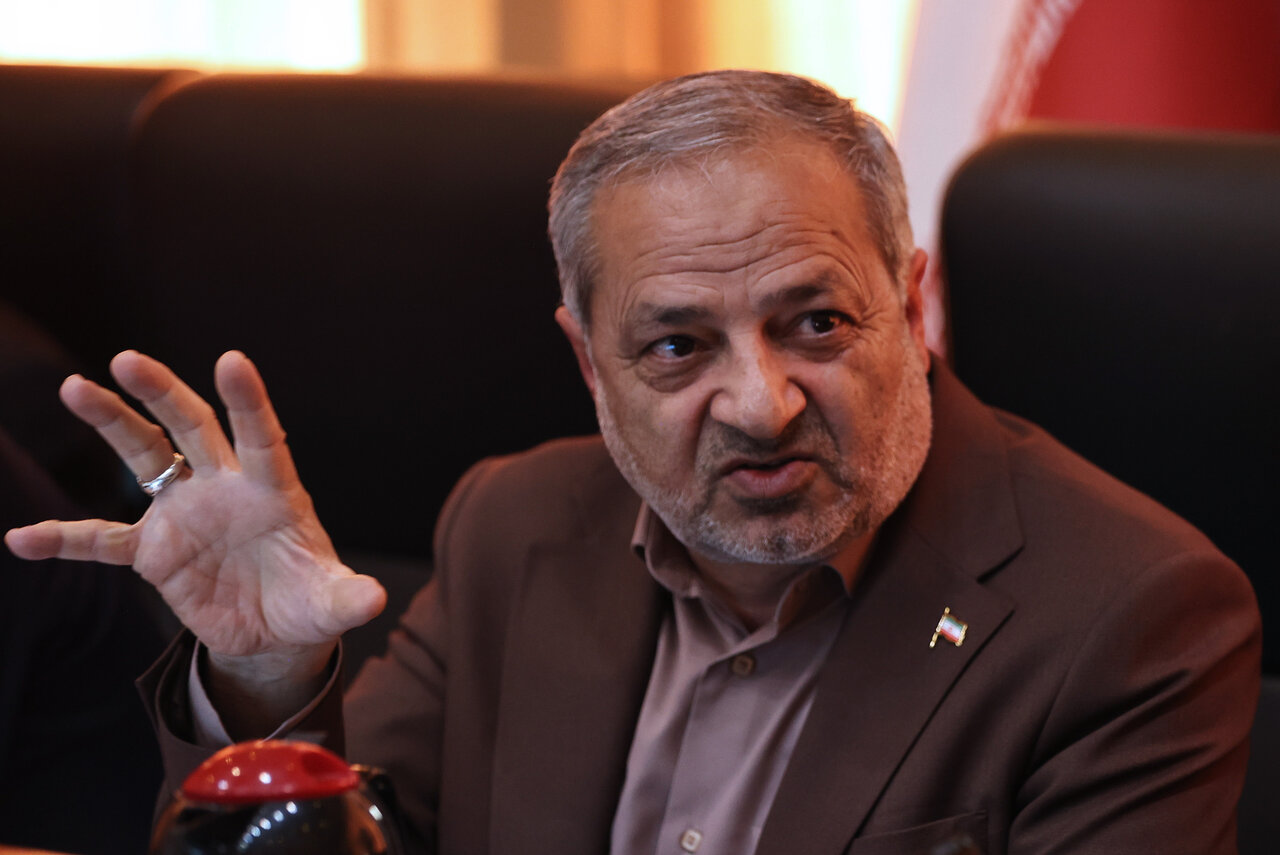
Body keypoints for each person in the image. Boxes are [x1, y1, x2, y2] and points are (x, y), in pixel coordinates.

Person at [4, 70, 1260, 855]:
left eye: (815, 322)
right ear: (587, 361)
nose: (760, 405)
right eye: (676, 346)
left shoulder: (1129, 612)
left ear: (909, 307)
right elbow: (361, 836)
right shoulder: (514, 524)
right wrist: (268, 676)